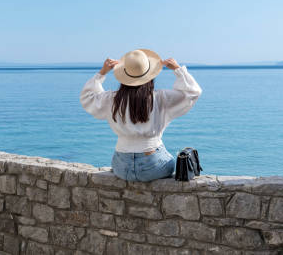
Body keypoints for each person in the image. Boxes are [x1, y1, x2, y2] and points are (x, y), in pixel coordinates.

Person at [80, 48, 202, 182]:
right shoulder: (160, 98)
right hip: (153, 167)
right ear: (150, 75)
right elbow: (192, 92)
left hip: (121, 168)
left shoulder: (112, 99)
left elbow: (87, 97)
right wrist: (178, 69)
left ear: (124, 76)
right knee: (175, 162)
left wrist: (102, 73)